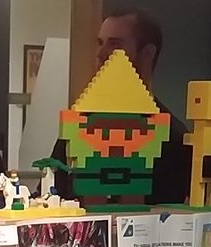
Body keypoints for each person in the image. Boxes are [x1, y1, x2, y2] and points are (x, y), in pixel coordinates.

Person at [52, 7, 191, 205]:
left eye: (115, 45)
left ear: (147, 53)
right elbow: (53, 193)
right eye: (100, 43)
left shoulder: (173, 137)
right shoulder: (78, 124)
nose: (100, 53)